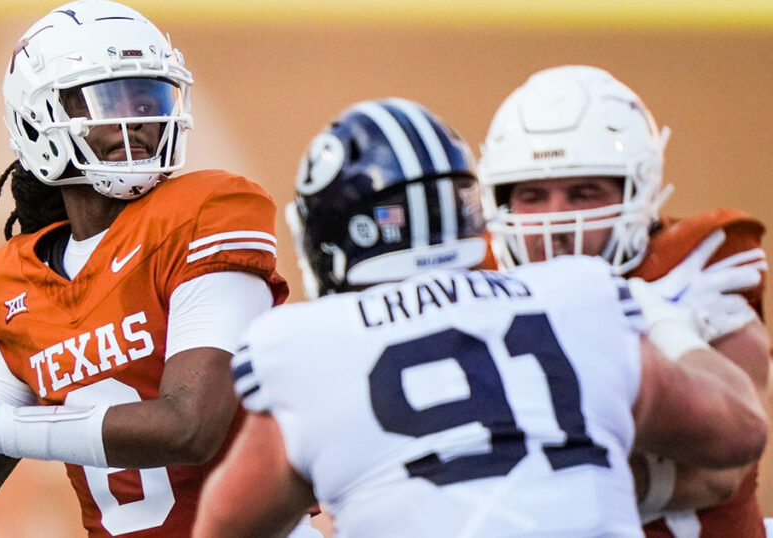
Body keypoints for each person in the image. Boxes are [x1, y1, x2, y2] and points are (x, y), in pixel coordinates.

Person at [0, 1, 326, 536]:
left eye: (150, 99)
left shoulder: (205, 214)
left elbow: (190, 428)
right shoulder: (19, 282)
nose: (135, 121)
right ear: (37, 118)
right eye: (108, 98)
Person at [191, 98, 767, 537]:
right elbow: (739, 432)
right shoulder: (579, 299)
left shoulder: (301, 345)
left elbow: (225, 526)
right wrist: (658, 315)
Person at [477, 65, 770, 538]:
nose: (556, 220)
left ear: (639, 190)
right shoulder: (475, 282)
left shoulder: (694, 275)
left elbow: (722, 472)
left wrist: (539, 488)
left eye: (583, 193)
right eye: (533, 195)